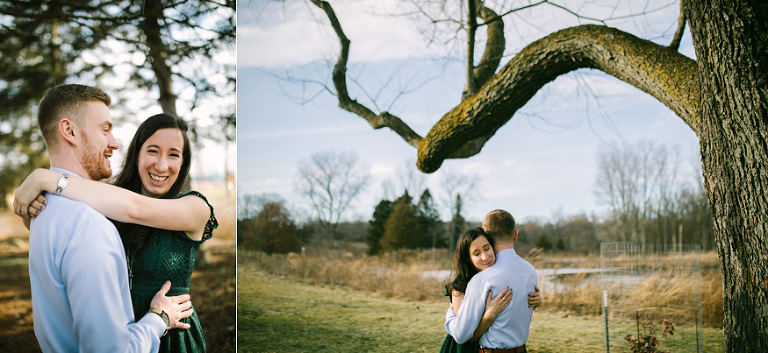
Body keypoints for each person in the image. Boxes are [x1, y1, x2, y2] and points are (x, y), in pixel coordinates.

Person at [15, 111, 218, 352]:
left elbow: (136, 209)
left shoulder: (196, 207)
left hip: (173, 337)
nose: (162, 165)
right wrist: (30, 210)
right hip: (118, 335)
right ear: (136, 155)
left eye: (173, 155)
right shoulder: (108, 201)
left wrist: (46, 178)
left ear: (182, 163)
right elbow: (59, 225)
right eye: (153, 151)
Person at [445, 210, 538, 353]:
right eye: (477, 253)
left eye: (486, 248)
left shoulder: (482, 280)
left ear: (489, 240)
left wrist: (450, 313)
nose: (484, 257)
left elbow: (461, 334)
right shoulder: (530, 271)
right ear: (515, 235)